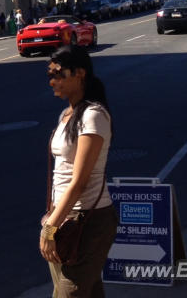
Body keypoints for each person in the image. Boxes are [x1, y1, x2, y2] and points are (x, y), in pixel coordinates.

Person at [40, 45, 117, 297]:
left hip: (88, 222)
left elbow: (79, 182)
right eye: (50, 74)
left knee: (67, 293)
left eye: (59, 74)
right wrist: (53, 218)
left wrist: (50, 227)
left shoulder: (93, 116)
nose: (52, 81)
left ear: (80, 73)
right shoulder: (66, 115)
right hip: (65, 222)